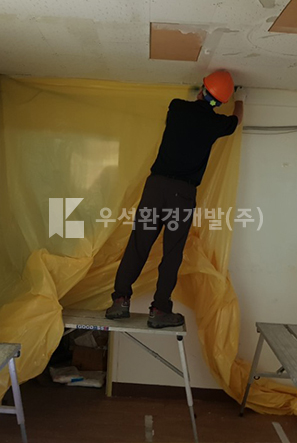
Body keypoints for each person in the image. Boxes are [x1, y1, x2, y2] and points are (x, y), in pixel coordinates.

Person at [105, 70, 245, 328]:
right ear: (220, 102)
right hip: (182, 195)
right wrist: (241, 100)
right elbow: (236, 120)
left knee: (138, 244)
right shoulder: (216, 124)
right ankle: (160, 310)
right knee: (172, 253)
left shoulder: (177, 107)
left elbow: (194, 108)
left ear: (201, 90)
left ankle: (120, 300)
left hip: (155, 188)